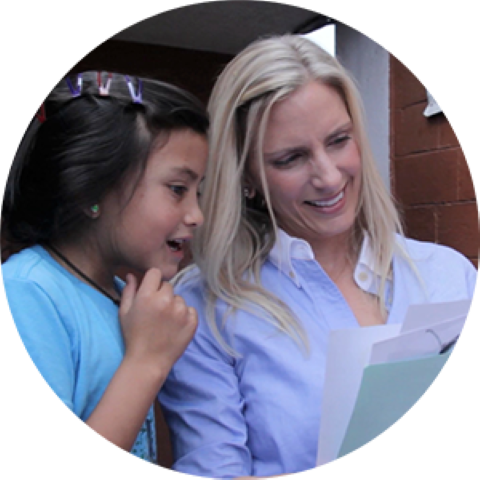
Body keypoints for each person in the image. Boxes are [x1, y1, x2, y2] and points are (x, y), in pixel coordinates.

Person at [158, 35, 478, 479]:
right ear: (245, 176)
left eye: (339, 140)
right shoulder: (205, 309)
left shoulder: (448, 274)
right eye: (291, 159)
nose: (328, 177)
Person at [1, 71, 209, 464]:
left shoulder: (123, 298)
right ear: (90, 191)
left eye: (199, 191)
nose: (196, 214)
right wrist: (147, 362)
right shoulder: (26, 294)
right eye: (178, 189)